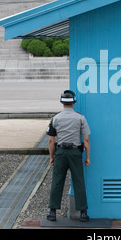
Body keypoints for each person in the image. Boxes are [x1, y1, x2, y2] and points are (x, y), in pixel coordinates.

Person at [46, 90, 91, 222]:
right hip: (75, 152)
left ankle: (52, 212)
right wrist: (87, 157)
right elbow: (86, 140)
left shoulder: (56, 118)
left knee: (57, 181)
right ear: (74, 102)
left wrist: (51, 156)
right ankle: (83, 213)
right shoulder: (80, 118)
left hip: (60, 152)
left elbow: (50, 140)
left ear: (61, 102)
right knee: (78, 181)